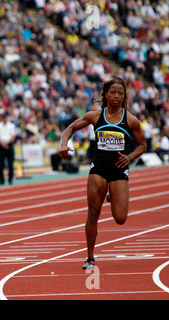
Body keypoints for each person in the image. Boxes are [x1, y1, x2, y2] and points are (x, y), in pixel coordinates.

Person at [58, 75, 147, 269]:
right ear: (106, 95)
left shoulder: (131, 121)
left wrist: (130, 157)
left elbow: (142, 145)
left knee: (120, 219)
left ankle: (112, 196)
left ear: (124, 97)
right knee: (93, 212)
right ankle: (90, 257)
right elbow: (71, 127)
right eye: (112, 92)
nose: (116, 96)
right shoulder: (95, 116)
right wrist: (64, 143)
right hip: (98, 168)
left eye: (120, 93)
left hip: (119, 169)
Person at [0, 113, 16, 185]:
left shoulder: (11, 125)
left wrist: (8, 143)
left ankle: (10, 179)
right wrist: (3, 144)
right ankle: (1, 180)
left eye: (5, 117)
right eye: (3, 117)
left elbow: (13, 136)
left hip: (9, 145)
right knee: (1, 164)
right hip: (1, 145)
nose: (4, 119)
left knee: (10, 164)